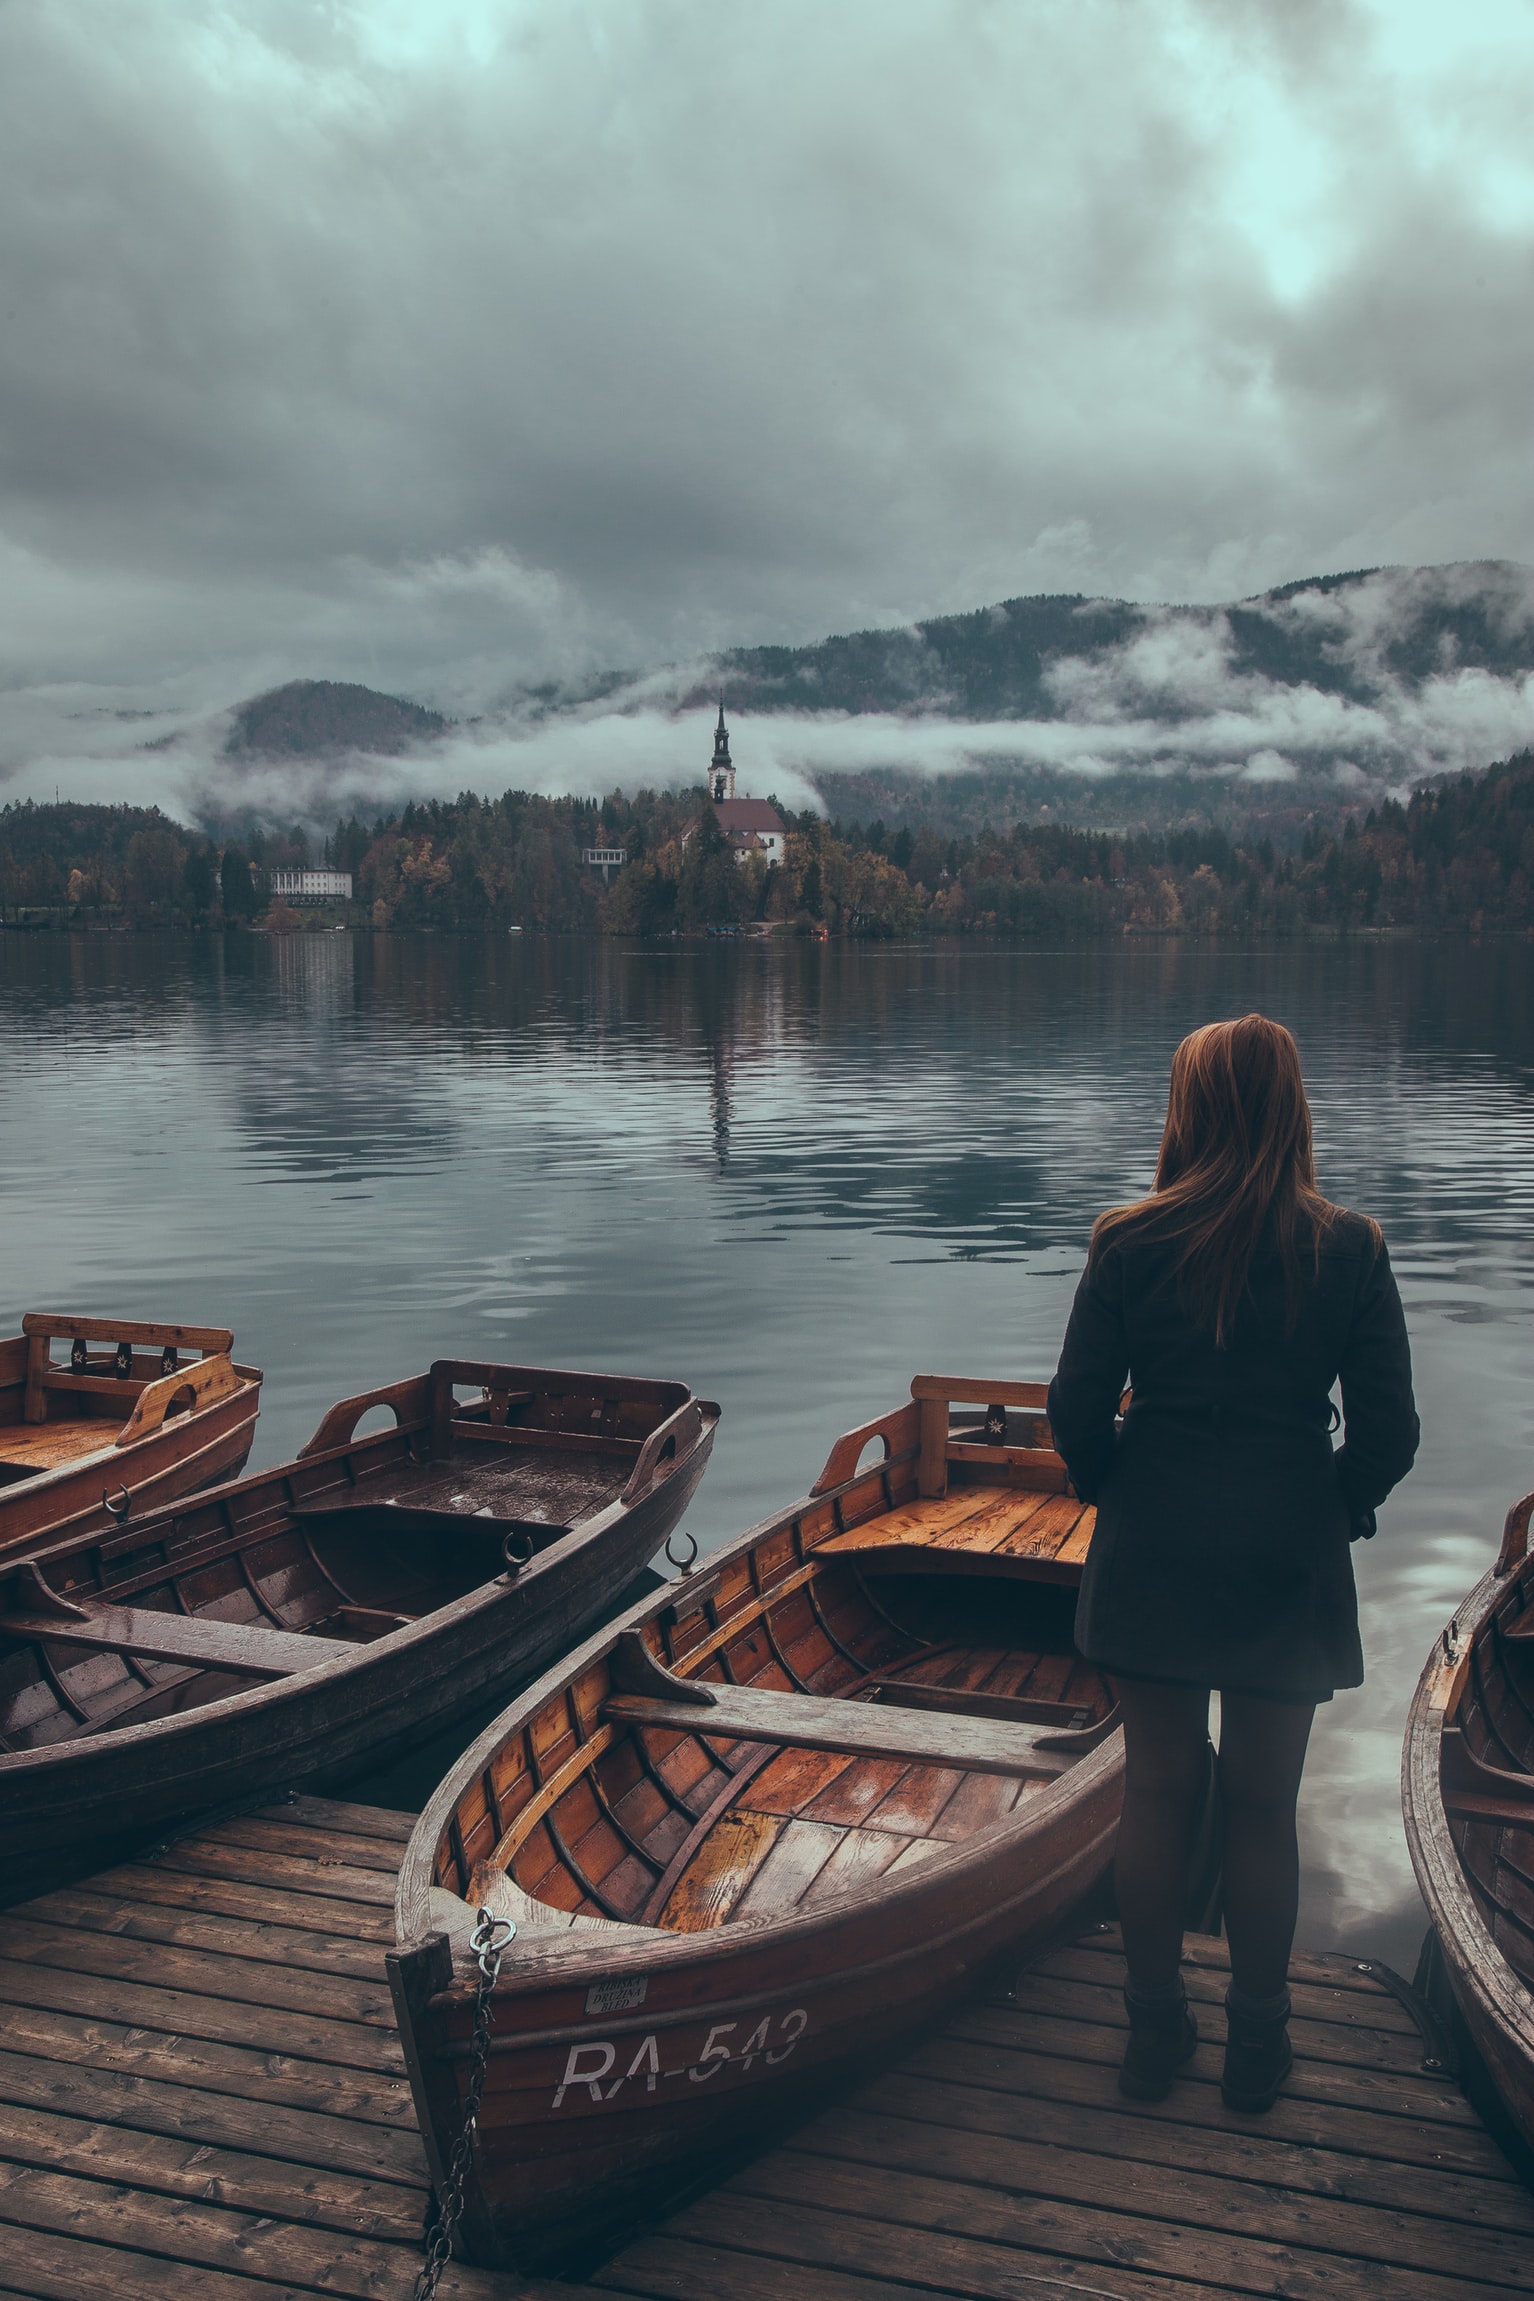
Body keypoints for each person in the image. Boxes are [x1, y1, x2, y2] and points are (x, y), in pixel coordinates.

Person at [1047, 1015, 1418, 2113]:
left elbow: (1074, 1412)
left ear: (1188, 1108)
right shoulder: (1348, 1248)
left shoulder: (1126, 1241)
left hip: (1151, 1544)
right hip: (1284, 1553)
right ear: (1293, 1109)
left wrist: (1116, 1486)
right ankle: (1258, 2048)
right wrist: (1333, 1508)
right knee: (1263, 1805)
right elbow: (1389, 1434)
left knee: (1156, 1794)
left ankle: (1153, 2036)